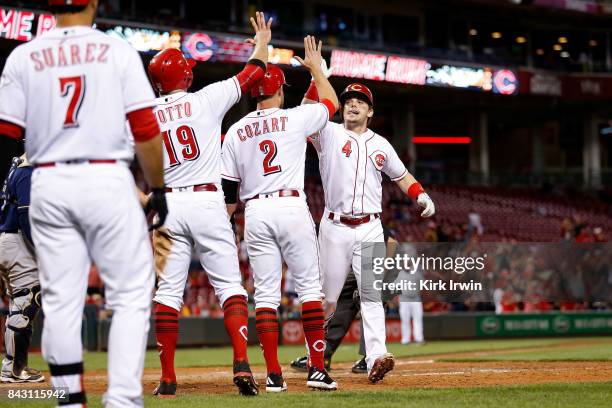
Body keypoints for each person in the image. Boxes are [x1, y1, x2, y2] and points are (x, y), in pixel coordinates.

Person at [0, 1, 167, 406]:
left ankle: (70, 398)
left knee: (60, 298)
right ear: (93, 2)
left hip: (48, 181)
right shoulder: (118, 51)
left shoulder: (22, 56)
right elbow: (145, 130)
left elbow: (7, 134)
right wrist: (158, 188)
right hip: (105, 177)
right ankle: (124, 399)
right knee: (129, 292)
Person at [146, 12, 272, 397]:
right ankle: (241, 363)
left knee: (167, 293)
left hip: (167, 207)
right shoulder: (205, 99)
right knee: (230, 287)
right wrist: (262, 42)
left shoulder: (146, 115)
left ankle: (167, 378)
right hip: (204, 200)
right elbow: (251, 75)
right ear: (186, 74)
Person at [221, 36, 339, 392]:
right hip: (290, 205)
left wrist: (226, 226)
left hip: (254, 210)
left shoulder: (235, 130)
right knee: (309, 289)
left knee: (267, 295)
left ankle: (273, 374)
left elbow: (228, 191)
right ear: (279, 92)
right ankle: (317, 369)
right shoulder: (293, 119)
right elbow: (331, 101)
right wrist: (317, 68)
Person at [304, 80, 435, 383]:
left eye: (360, 102)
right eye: (349, 100)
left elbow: (401, 175)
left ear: (370, 111)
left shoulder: (381, 144)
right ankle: (315, 357)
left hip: (370, 227)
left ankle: (376, 357)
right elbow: (306, 114)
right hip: (334, 227)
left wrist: (421, 195)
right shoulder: (328, 132)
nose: (352, 104)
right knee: (327, 298)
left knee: (372, 296)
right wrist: (315, 79)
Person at [291, 230, 398, 374]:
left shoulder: (366, 219)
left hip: (380, 266)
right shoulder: (328, 225)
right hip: (352, 269)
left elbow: (392, 243)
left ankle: (372, 359)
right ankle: (323, 355)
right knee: (340, 305)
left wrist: (382, 275)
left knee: (371, 301)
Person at [0, 155, 44, 383]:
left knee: (19, 304)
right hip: (17, 240)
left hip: (7, 239)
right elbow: (25, 214)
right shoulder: (27, 171)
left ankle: (11, 367)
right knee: (28, 300)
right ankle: (16, 370)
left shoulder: (15, 168)